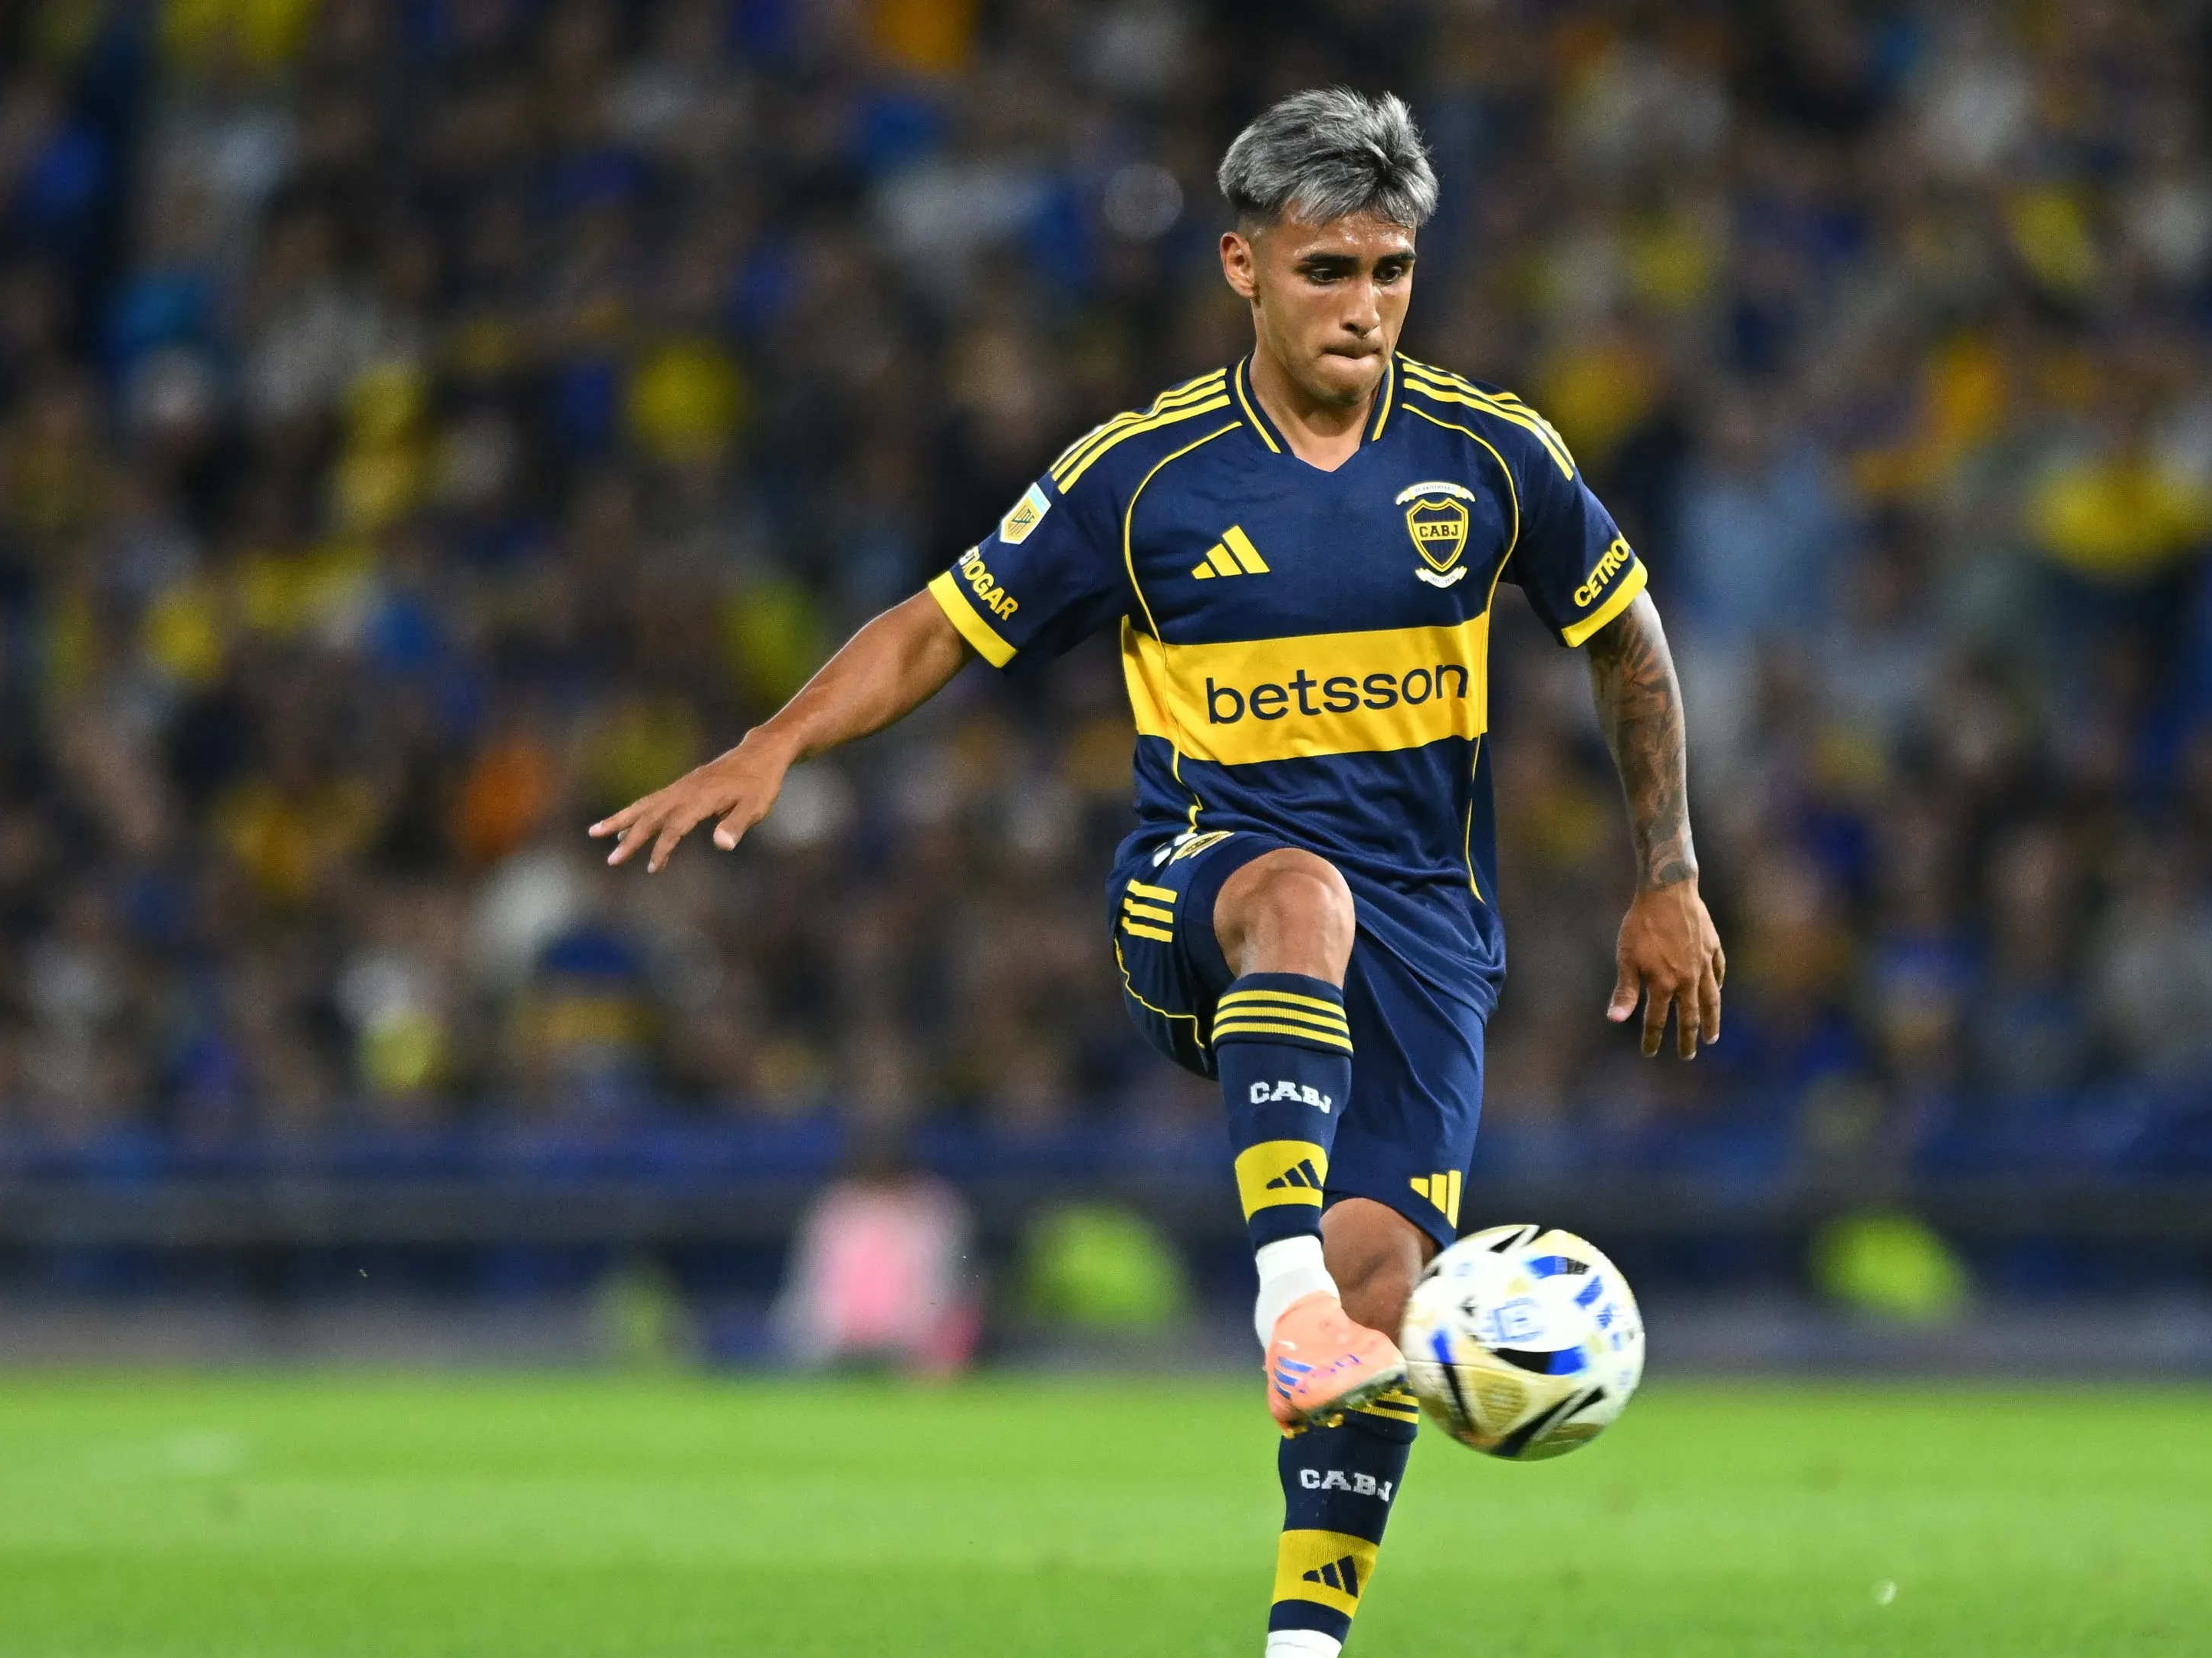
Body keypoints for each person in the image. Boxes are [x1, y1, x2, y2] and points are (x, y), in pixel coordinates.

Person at [588, 89, 1724, 1658]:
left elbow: (1626, 634)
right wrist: (774, 741)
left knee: (1387, 1285)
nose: (1368, 306)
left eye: (1393, 269)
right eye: (1330, 270)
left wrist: (1667, 869)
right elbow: (940, 622)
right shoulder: (1150, 475)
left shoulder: (1491, 453)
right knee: (1298, 909)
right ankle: (1282, 1311)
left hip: (1429, 932)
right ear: (1243, 268)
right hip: (1201, 886)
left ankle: (1302, 1642)